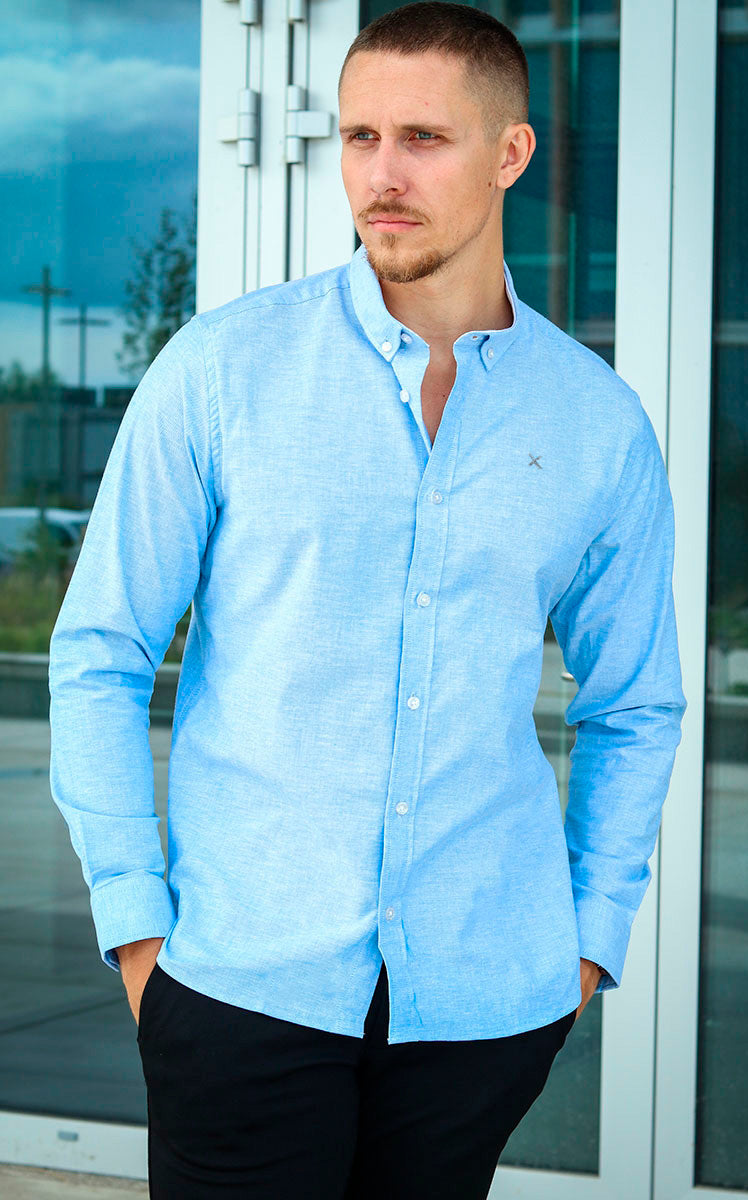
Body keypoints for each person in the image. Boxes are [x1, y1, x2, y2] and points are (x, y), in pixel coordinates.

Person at [48, 2, 687, 1197]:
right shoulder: (222, 371)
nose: (381, 176)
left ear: (509, 153)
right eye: (358, 137)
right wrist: (138, 932)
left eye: (422, 139)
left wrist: (584, 945)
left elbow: (634, 702)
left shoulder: (593, 422)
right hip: (239, 987)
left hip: (481, 1005)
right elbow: (99, 651)